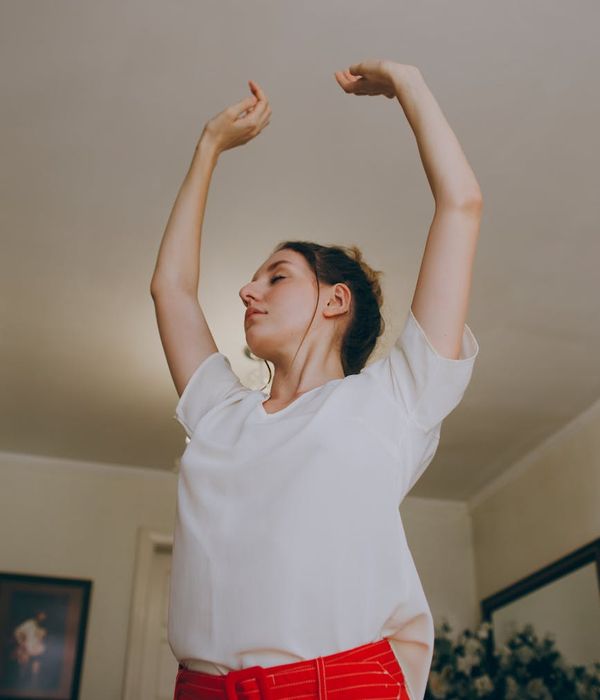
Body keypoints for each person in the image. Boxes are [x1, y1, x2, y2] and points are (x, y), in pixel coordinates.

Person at [151, 59, 482, 700]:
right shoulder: (220, 413)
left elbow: (461, 205)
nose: (248, 290)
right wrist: (208, 148)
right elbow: (171, 289)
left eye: (276, 276)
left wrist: (408, 85)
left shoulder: (393, 398)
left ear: (334, 301)